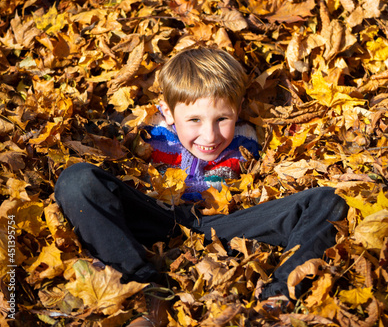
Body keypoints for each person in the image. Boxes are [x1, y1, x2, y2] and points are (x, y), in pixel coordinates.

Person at [54, 47, 348, 326]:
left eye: (222, 119)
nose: (209, 135)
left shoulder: (249, 139)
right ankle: (146, 291)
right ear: (168, 113)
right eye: (194, 120)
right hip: (158, 216)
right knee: (77, 181)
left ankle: (277, 301)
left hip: (224, 224)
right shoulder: (147, 137)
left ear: (239, 110)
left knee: (328, 199)